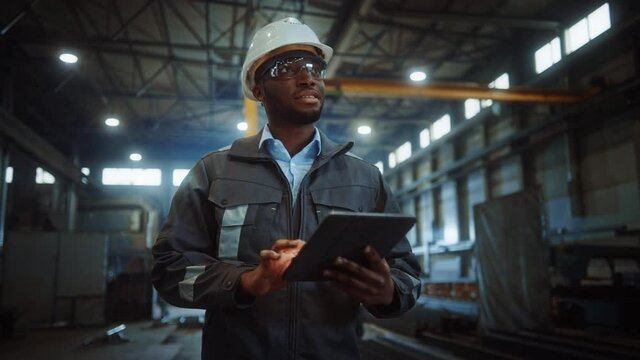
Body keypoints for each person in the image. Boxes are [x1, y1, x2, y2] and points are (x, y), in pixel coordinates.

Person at [151, 17, 421, 360]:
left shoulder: (365, 178)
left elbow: (407, 274)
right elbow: (170, 270)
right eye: (286, 67)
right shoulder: (214, 172)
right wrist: (247, 282)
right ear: (258, 88)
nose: (308, 77)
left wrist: (387, 291)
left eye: (314, 67)